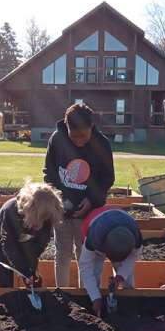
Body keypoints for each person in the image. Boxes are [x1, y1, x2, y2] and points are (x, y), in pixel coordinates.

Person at [43, 103, 115, 287]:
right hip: (62, 210)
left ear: (91, 127)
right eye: (73, 136)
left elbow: (107, 178)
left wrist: (92, 200)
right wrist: (58, 198)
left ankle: (87, 294)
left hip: (89, 212)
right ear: (66, 127)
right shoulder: (57, 139)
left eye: (83, 136)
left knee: (85, 255)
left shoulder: (102, 144)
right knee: (62, 254)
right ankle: (63, 293)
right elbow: (48, 173)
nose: (78, 141)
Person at [0, 181, 63, 288]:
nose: (41, 223)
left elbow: (39, 245)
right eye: (38, 219)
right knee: (4, 276)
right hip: (0, 234)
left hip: (26, 236)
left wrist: (31, 271)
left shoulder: (48, 215)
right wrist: (24, 272)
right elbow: (10, 247)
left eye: (44, 219)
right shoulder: (11, 212)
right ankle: (4, 299)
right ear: (29, 210)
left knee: (34, 278)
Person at [79, 207, 142, 316]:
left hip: (120, 219)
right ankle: (94, 304)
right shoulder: (92, 238)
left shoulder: (136, 238)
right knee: (94, 271)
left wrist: (120, 276)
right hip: (94, 223)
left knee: (127, 276)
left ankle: (128, 304)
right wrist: (95, 297)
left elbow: (132, 258)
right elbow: (85, 266)